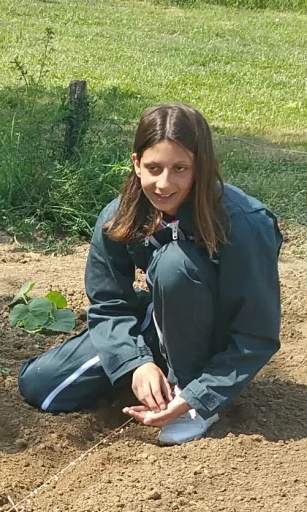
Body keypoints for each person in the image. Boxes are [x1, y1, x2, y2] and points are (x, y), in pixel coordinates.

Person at [17, 102, 282, 445]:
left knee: (175, 266)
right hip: (160, 320)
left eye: (180, 168)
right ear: (136, 164)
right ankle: (157, 373)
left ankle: (188, 396)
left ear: (200, 167)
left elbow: (256, 334)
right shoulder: (119, 218)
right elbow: (108, 303)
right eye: (153, 167)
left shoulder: (244, 224)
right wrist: (135, 364)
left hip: (217, 339)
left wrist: (198, 395)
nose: (164, 183)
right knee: (41, 385)